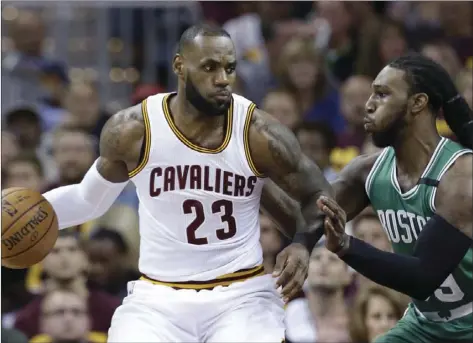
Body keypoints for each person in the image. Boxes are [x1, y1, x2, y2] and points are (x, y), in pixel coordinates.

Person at [41, 24, 334, 342]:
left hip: (241, 295)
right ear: (180, 66)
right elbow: (88, 201)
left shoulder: (258, 132)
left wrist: (303, 244)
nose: (222, 78)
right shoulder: (133, 131)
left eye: (229, 68)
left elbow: (318, 194)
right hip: (158, 297)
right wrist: (31, 211)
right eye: (210, 67)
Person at [317, 53, 473, 342]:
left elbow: (422, 278)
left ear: (418, 103)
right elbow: (311, 216)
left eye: (382, 94)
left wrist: (346, 246)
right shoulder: (367, 171)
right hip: (424, 322)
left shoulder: (461, 175)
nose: (368, 104)